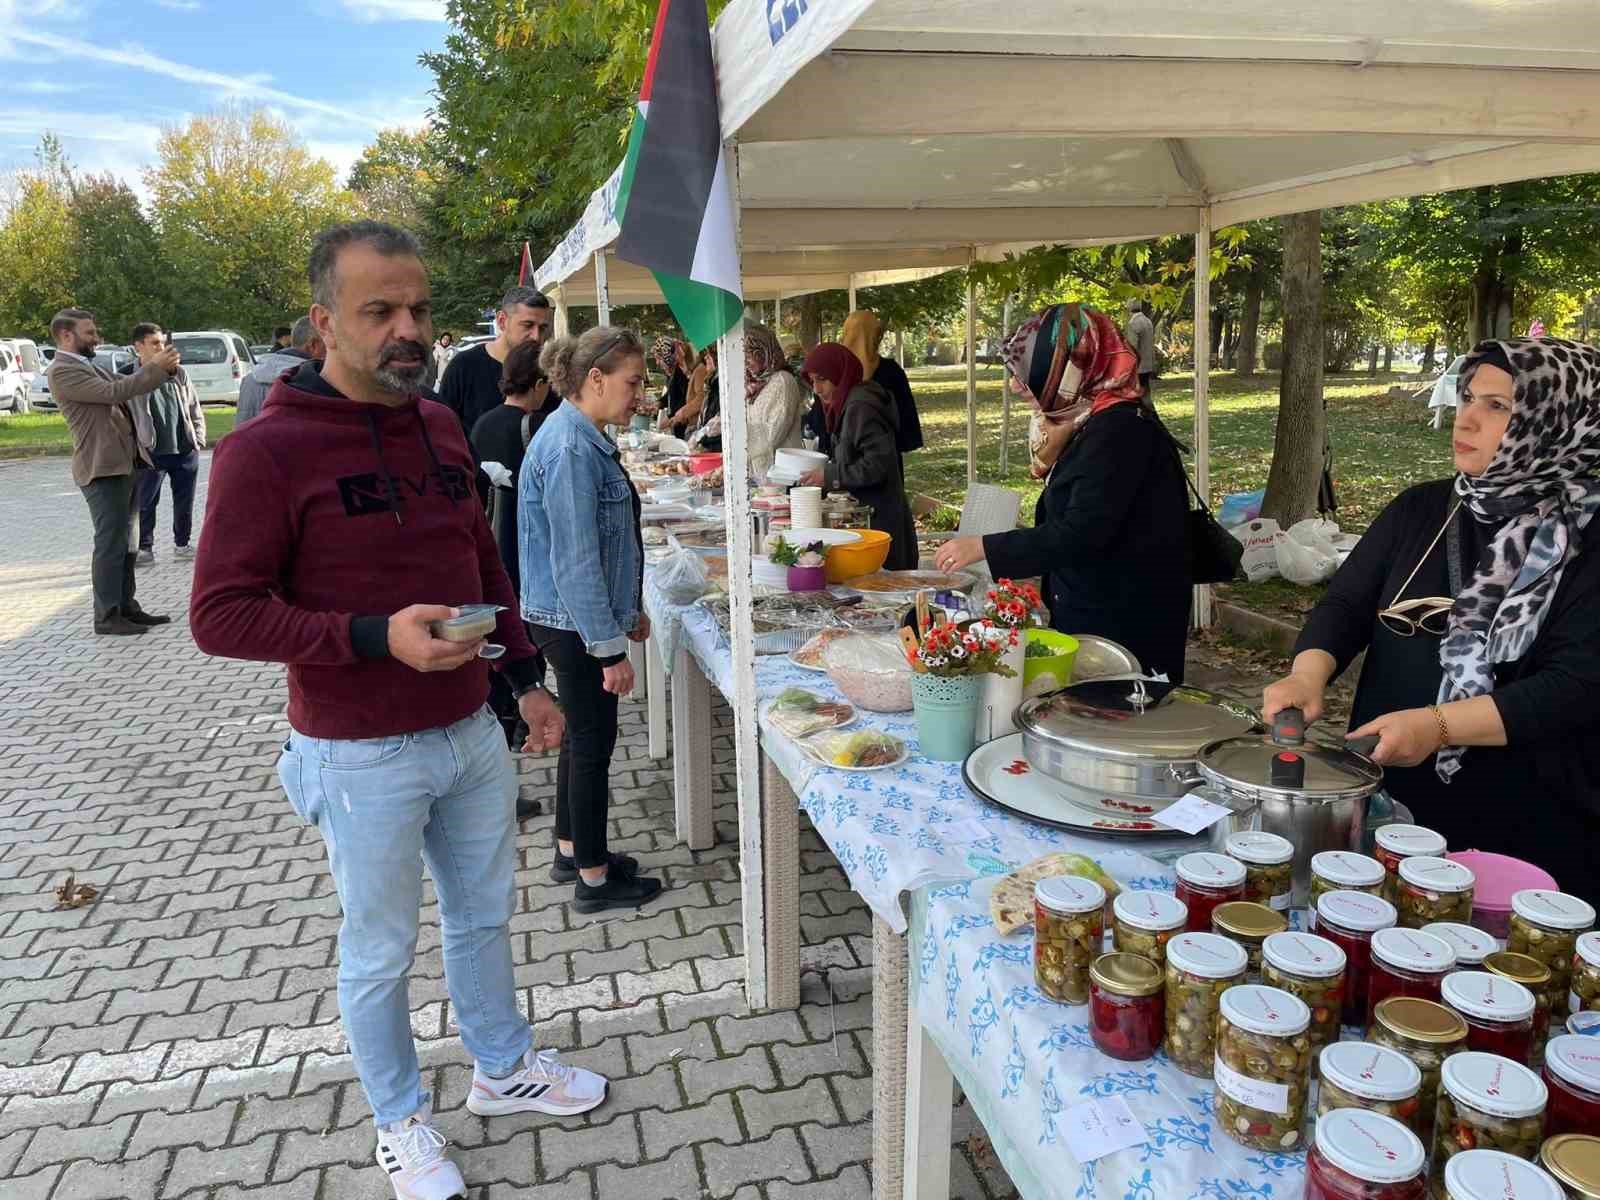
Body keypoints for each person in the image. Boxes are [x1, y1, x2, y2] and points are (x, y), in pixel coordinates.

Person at [190, 220, 604, 1200]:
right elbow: (218, 615)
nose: (407, 328)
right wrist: (375, 636)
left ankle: (502, 1070)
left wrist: (522, 679)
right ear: (324, 321)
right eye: (379, 310)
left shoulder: (438, 426)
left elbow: (480, 562)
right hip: (357, 750)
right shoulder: (265, 452)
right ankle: (401, 1120)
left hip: (469, 730)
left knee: (482, 919)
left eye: (417, 308)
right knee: (379, 950)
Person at [1263, 338, 1600, 903]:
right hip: (1399, 802)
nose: (1465, 417)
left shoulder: (1587, 537)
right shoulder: (1422, 509)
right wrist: (1306, 673)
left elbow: (1576, 687)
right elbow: (1346, 607)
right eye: (1468, 396)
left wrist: (1437, 726)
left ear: (1559, 420)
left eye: (1498, 406)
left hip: (1531, 821)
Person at [935, 303, 1191, 682]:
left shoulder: (1119, 432)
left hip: (1124, 624)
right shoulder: (1092, 420)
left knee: (1112, 724)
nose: (1016, 386)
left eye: (1027, 374)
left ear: (1069, 371)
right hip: (1100, 607)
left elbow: (1081, 532)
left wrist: (984, 547)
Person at [520, 327, 663, 914]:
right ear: (595, 379)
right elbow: (577, 559)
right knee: (593, 744)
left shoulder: (579, 435)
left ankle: (572, 848)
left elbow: (601, 550)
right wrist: (608, 649)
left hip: (574, 616)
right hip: (573, 622)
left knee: (582, 738)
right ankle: (596, 879)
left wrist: (628, 612)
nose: (639, 394)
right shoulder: (571, 448)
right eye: (633, 382)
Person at [49, 307, 178, 636]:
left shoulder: (89, 366)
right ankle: (106, 616)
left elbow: (125, 383)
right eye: (89, 332)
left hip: (123, 464)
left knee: (128, 543)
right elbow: (115, 393)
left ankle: (126, 607)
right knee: (110, 544)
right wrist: (155, 367)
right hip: (101, 469)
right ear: (66, 335)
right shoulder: (63, 371)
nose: (97, 337)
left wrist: (160, 369)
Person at [473, 340, 561, 795]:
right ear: (541, 382)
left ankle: (506, 718)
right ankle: (523, 713)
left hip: (493, 541)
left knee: (502, 634)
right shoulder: (538, 425)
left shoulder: (483, 423)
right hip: (529, 545)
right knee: (528, 635)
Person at [795, 343, 917, 569]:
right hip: (871, 522)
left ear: (840, 375)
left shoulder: (861, 407)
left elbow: (877, 466)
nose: (817, 389)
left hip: (881, 527)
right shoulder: (847, 404)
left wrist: (830, 475)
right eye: (812, 381)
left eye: (822, 379)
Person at [126, 323, 206, 564]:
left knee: (185, 500)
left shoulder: (178, 372)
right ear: (138, 346)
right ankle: (145, 549)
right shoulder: (129, 376)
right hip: (151, 451)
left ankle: (182, 545)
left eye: (162, 342)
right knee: (146, 502)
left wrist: (198, 436)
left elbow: (193, 405)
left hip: (183, 448)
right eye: (155, 343)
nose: (161, 347)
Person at [438, 285, 554, 434]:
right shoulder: (463, 366)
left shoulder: (548, 371)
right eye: (528, 325)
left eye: (543, 328)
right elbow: (441, 429)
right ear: (501, 321)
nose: (536, 336)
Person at [841, 310, 924, 456]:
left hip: (843, 454)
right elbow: (906, 420)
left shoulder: (836, 371)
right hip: (885, 455)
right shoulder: (891, 371)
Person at [743, 321, 806, 478]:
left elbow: (772, 436)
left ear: (765, 351)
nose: (746, 363)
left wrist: (737, 437)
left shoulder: (783, 381)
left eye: (750, 356)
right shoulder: (755, 385)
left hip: (783, 477)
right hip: (761, 477)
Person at [238, 316, 324, 424]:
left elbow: (241, 425)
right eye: (329, 345)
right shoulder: (315, 381)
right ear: (313, 346)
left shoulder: (249, 379)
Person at [651, 335, 691, 427]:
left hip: (682, 425)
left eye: (658, 358)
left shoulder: (680, 373)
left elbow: (685, 399)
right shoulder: (672, 373)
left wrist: (670, 418)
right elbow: (672, 393)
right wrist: (660, 402)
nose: (657, 363)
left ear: (666, 357)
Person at [1124, 299, 1156, 410]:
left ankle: (1146, 415)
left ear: (1129, 308)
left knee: (1138, 394)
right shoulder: (1148, 321)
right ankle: (1149, 414)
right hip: (1148, 363)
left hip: (1138, 366)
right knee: (1146, 392)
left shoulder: (1133, 323)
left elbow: (1132, 347)